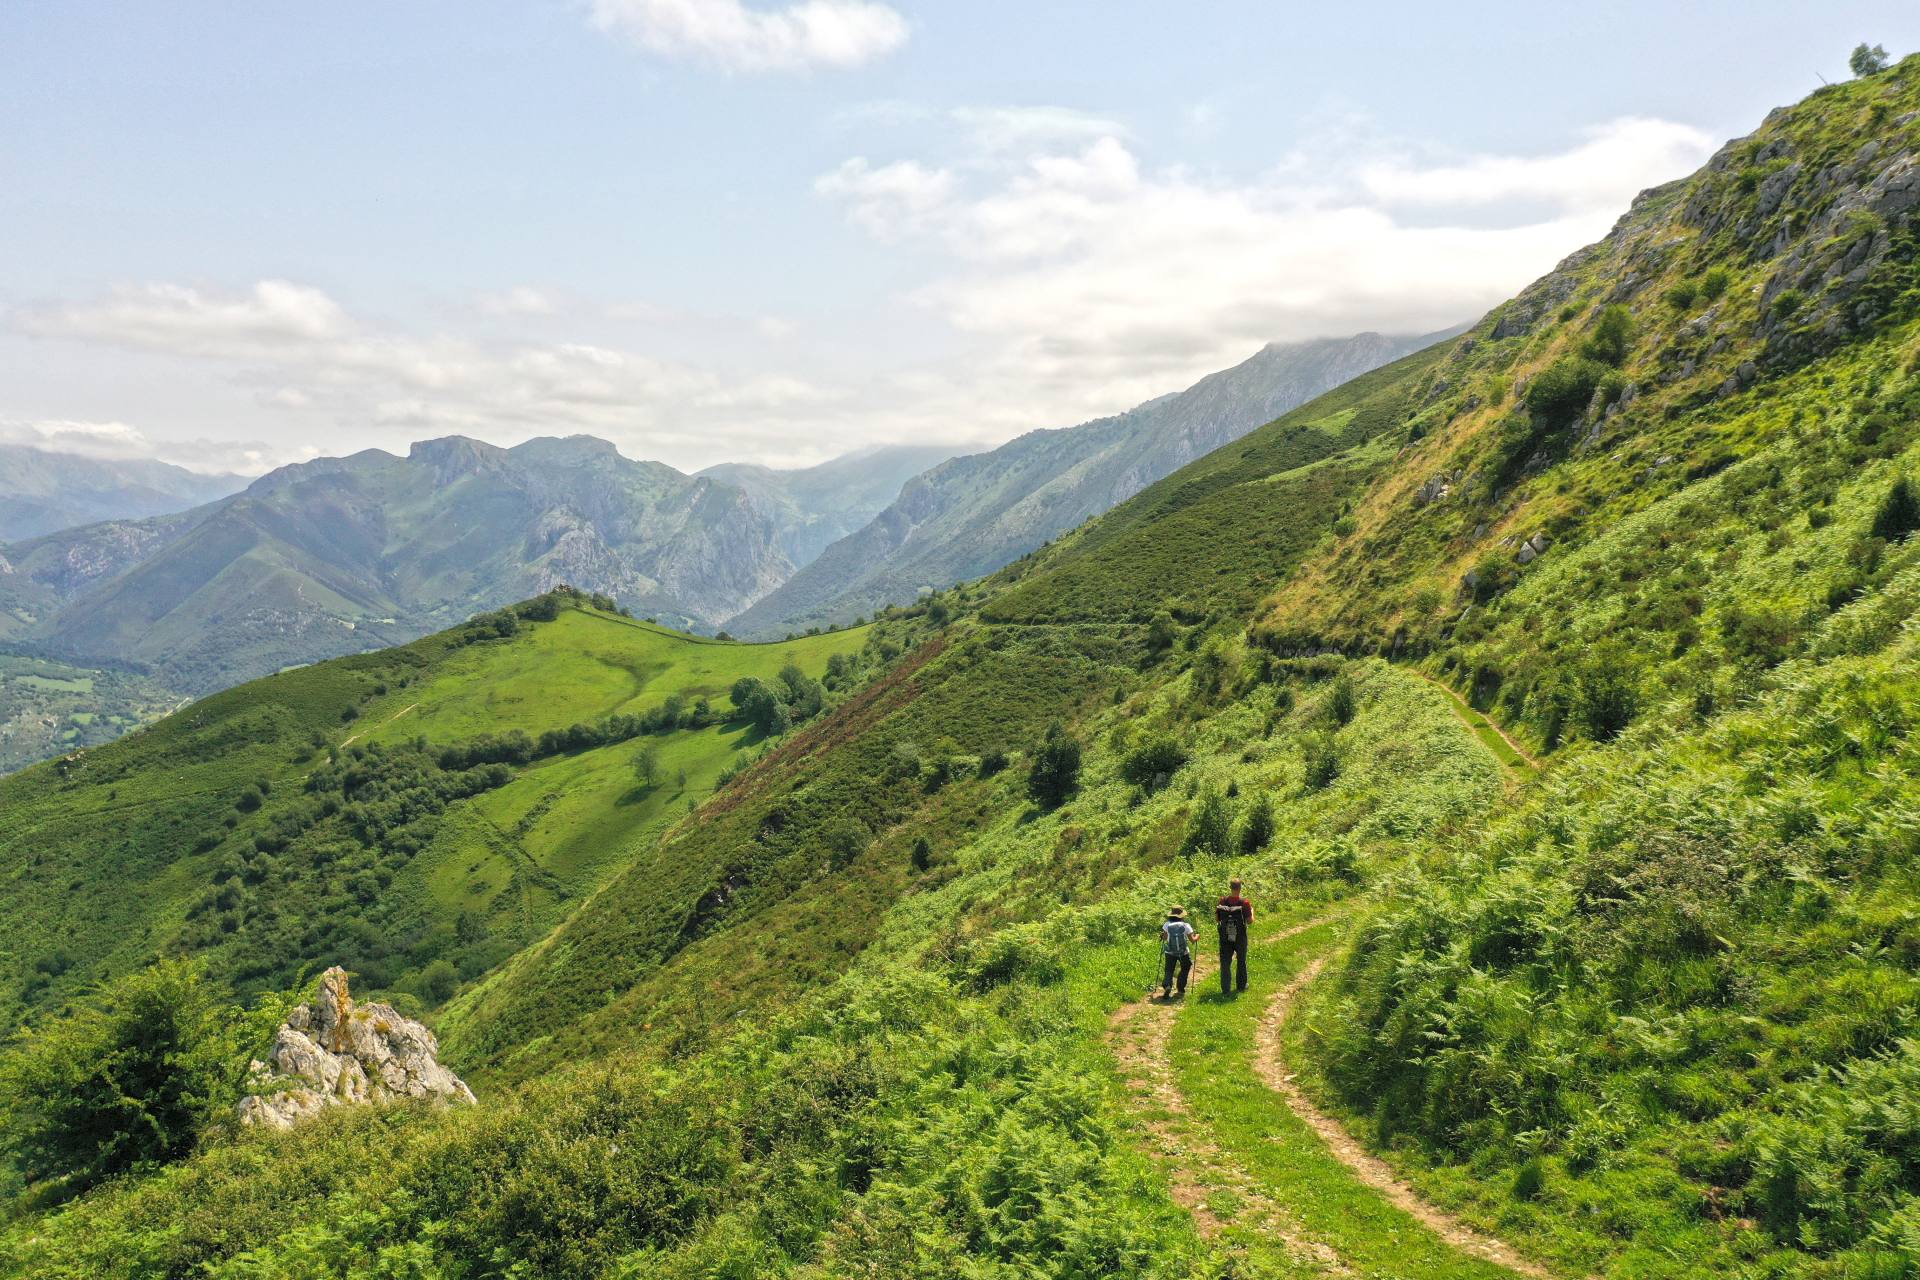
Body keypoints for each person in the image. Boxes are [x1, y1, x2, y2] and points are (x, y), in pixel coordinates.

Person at [1216, 877, 1254, 994]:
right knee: (1241, 960)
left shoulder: (1222, 900)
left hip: (1225, 936)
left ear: (1230, 887)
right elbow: (1249, 921)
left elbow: (1217, 919)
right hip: (1240, 936)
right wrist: (1252, 911)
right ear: (1240, 888)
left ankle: (1226, 989)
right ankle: (1241, 986)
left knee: (1225, 962)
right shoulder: (1244, 902)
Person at [1159, 905, 1196, 999]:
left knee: (1169, 970)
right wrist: (1197, 937)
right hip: (1183, 952)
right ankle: (1180, 988)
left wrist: (1162, 935)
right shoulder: (1186, 925)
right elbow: (1192, 940)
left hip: (1170, 952)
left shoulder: (1167, 924)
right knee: (1185, 967)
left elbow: (1165, 938)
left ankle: (1167, 985)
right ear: (1182, 915)